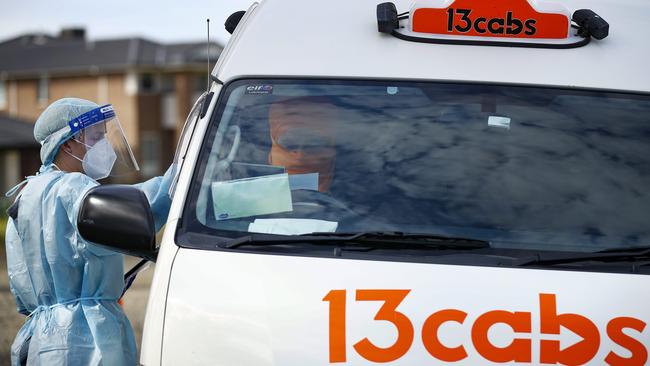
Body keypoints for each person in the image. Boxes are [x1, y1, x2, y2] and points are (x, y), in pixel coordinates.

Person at [4, 98, 174, 365]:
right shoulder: (72, 189)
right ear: (67, 142)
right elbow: (141, 210)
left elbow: (22, 288)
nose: (105, 146)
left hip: (41, 339)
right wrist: (183, 171)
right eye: (96, 137)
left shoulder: (26, 195)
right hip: (85, 341)